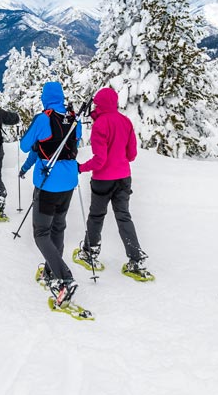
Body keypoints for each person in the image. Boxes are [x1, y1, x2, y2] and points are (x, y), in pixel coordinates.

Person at [76, 87, 150, 280]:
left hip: (103, 180)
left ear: (99, 104)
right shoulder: (125, 121)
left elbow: (100, 160)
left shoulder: (100, 124)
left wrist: (81, 167)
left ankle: (89, 252)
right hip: (124, 178)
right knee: (124, 216)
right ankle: (136, 259)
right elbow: (132, 155)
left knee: (97, 215)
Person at [20, 81, 83, 306]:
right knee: (58, 227)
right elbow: (76, 141)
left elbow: (24, 145)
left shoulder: (43, 118)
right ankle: (51, 271)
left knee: (41, 233)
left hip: (48, 184)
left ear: (45, 98)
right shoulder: (75, 119)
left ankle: (65, 277)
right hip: (68, 183)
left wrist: (38, 143)